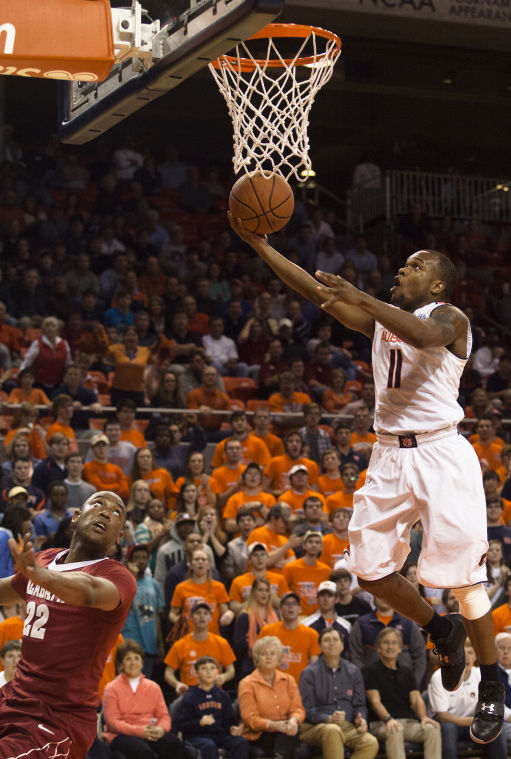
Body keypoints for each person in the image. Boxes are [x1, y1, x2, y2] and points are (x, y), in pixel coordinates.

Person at [229, 214, 504, 743]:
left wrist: (364, 296)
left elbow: (422, 333)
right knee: (369, 570)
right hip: (389, 456)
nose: (404, 268)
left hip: (442, 453)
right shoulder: (382, 320)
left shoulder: (450, 317)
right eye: (404, 264)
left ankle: (490, 683)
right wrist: (262, 245)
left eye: (415, 266)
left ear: (439, 284)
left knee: (466, 582)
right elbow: (315, 291)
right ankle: (436, 628)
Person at [0, 490, 136, 759]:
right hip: (15, 697)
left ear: (119, 536)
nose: (106, 512)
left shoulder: (118, 577)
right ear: (76, 516)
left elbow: (88, 591)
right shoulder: (44, 560)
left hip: (58, 719)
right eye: (98, 504)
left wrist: (39, 576)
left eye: (116, 512)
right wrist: (37, 573)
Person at [299, 626, 378, 759]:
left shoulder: (353, 671)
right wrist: (327, 718)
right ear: (320, 646)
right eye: (327, 640)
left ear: (342, 646)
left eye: (335, 640)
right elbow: (305, 710)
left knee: (370, 742)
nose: (331, 643)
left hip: (346, 726)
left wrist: (361, 719)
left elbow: (360, 705)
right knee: (333, 730)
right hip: (314, 727)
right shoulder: (309, 673)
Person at [363, 627, 441, 759]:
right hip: (381, 723)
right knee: (395, 730)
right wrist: (388, 719)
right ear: (378, 647)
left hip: (407, 722)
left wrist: (423, 717)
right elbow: (374, 701)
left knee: (432, 729)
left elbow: (416, 699)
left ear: (400, 648)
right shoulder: (370, 670)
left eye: (394, 643)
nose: (390, 646)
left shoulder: (406, 672)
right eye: (386, 642)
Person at [102, 638, 185, 759]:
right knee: (143, 752)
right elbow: (112, 722)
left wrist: (161, 729)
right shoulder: (111, 688)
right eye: (128, 659)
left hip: (151, 731)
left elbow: (164, 716)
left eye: (137, 658)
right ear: (120, 665)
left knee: (174, 744)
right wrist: (140, 731)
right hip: (122, 735)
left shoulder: (153, 686)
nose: (133, 663)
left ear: (142, 662)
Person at [428, 638, 507, 759]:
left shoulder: (480, 674)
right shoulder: (438, 676)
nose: (467, 658)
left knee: (495, 729)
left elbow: (493, 705)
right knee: (449, 728)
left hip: (475, 724)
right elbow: (442, 716)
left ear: (476, 656)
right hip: (449, 725)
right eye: (463, 654)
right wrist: (477, 721)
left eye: (470, 653)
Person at [238, 635, 305, 758]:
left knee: (292, 733)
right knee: (289, 738)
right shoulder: (247, 683)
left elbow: (298, 709)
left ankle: (279, 756)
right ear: (257, 658)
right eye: (264, 654)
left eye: (272, 654)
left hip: (286, 731)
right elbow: (249, 718)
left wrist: (293, 720)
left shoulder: (289, 680)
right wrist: (272, 724)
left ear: (279, 658)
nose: (268, 657)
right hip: (260, 733)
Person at [175, 655, 248, 759]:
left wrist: (233, 728)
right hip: (197, 736)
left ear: (217, 672)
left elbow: (230, 721)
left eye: (212, 668)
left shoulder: (223, 695)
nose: (209, 672)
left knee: (240, 742)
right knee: (209, 746)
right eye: (204, 668)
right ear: (196, 673)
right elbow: (181, 725)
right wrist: (199, 722)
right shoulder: (190, 697)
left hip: (220, 735)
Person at [349, 596, 427, 688]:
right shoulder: (361, 624)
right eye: (380, 594)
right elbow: (355, 657)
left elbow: (420, 657)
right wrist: (365, 683)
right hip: (371, 686)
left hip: (404, 686)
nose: (384, 597)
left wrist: (413, 685)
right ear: (373, 596)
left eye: (387, 593)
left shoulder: (409, 624)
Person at [164, 601, 235, 694]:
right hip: (189, 695)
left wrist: (223, 677)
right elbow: (168, 673)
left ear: (210, 618)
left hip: (213, 693)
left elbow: (231, 670)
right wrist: (177, 684)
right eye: (198, 613)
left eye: (206, 613)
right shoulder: (180, 645)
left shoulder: (221, 643)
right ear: (191, 618)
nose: (202, 616)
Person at [258, 591, 320, 683]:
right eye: (287, 604)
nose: (291, 606)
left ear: (299, 609)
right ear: (280, 609)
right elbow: (259, 660)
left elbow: (314, 665)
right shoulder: (267, 631)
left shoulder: (312, 634)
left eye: (294, 604)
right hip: (273, 684)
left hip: (300, 686)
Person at [169, 548, 233, 636]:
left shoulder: (219, 587)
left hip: (212, 636)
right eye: (196, 559)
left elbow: (225, 612)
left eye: (203, 559)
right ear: (191, 565)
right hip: (188, 636)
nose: (200, 562)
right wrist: (179, 621)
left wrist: (229, 615)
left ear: (209, 565)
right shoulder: (181, 587)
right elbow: (172, 613)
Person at [123, 544, 164, 679]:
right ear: (129, 561)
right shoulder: (123, 582)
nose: (141, 561)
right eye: (136, 558)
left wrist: (160, 642)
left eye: (144, 558)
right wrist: (131, 577)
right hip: (130, 641)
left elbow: (156, 614)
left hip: (150, 643)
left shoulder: (154, 584)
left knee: (146, 684)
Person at [233, 577, 281, 678]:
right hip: (251, 665)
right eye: (260, 590)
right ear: (254, 592)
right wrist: (258, 649)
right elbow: (238, 644)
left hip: (274, 665)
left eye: (266, 590)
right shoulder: (245, 616)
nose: (264, 593)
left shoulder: (276, 615)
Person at [229, 542, 288, 615]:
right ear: (249, 559)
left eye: (262, 554)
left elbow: (286, 605)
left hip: (273, 619)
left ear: (267, 558)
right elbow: (233, 608)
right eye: (255, 555)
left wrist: (270, 597)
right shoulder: (238, 581)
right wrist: (253, 601)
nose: (259, 558)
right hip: (249, 618)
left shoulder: (279, 579)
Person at [283, 531, 331, 616]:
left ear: (321, 547)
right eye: (310, 541)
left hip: (319, 617)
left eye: (317, 542)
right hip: (297, 617)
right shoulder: (290, 568)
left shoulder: (326, 571)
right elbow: (283, 594)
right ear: (303, 546)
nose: (313, 545)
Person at [302, 581, 351, 649]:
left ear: (336, 599)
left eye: (330, 595)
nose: (326, 599)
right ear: (317, 598)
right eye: (322, 595)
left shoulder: (346, 626)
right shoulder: (305, 624)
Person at [83, 434, 130, 502]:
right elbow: (97, 489)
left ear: (108, 447)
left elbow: (125, 491)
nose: (101, 448)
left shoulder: (116, 469)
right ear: (92, 449)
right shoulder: (87, 467)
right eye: (98, 446)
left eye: (104, 445)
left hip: (115, 504)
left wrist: (105, 488)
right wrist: (116, 486)